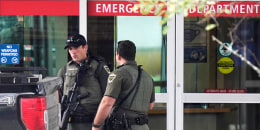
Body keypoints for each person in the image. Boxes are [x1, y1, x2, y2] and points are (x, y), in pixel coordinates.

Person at [92, 40, 155, 130]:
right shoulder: (148, 76)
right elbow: (150, 105)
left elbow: (107, 103)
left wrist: (96, 125)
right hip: (143, 126)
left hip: (123, 126)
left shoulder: (119, 74)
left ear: (118, 55)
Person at [57, 34, 110, 130]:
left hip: (92, 123)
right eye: (70, 49)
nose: (72, 52)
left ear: (85, 47)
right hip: (70, 123)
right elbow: (58, 95)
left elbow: (109, 95)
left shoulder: (98, 66)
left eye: (76, 48)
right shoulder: (65, 69)